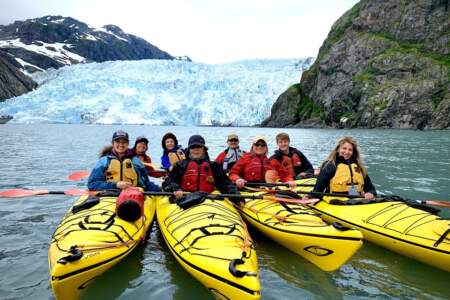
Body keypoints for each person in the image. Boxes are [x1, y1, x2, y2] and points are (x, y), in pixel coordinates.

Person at [162, 134, 238, 199]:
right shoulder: (180, 165)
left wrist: (237, 198)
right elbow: (169, 182)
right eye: (193, 147)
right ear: (189, 150)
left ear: (204, 149)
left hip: (208, 198)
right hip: (186, 197)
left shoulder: (214, 166)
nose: (196, 149)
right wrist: (176, 189)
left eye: (199, 146)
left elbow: (226, 184)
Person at [88, 130, 160, 192]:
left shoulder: (136, 162)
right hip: (109, 196)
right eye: (118, 142)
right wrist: (116, 185)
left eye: (124, 142)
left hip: (132, 196)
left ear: (128, 144)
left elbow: (146, 183)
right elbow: (92, 184)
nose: (121, 145)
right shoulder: (103, 162)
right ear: (113, 143)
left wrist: (160, 190)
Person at [311, 136, 376, 199]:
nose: (347, 152)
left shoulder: (359, 166)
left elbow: (370, 188)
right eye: (344, 148)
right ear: (338, 149)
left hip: (357, 200)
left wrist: (370, 193)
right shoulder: (330, 165)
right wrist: (313, 197)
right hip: (335, 202)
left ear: (353, 152)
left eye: (350, 150)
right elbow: (319, 188)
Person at [229, 136, 296, 189]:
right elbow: (233, 173)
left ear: (266, 148)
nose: (260, 147)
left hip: (267, 191)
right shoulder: (245, 159)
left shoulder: (273, 162)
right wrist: (237, 179)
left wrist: (289, 181)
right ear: (253, 147)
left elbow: (286, 175)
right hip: (249, 189)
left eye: (262, 145)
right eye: (257, 144)